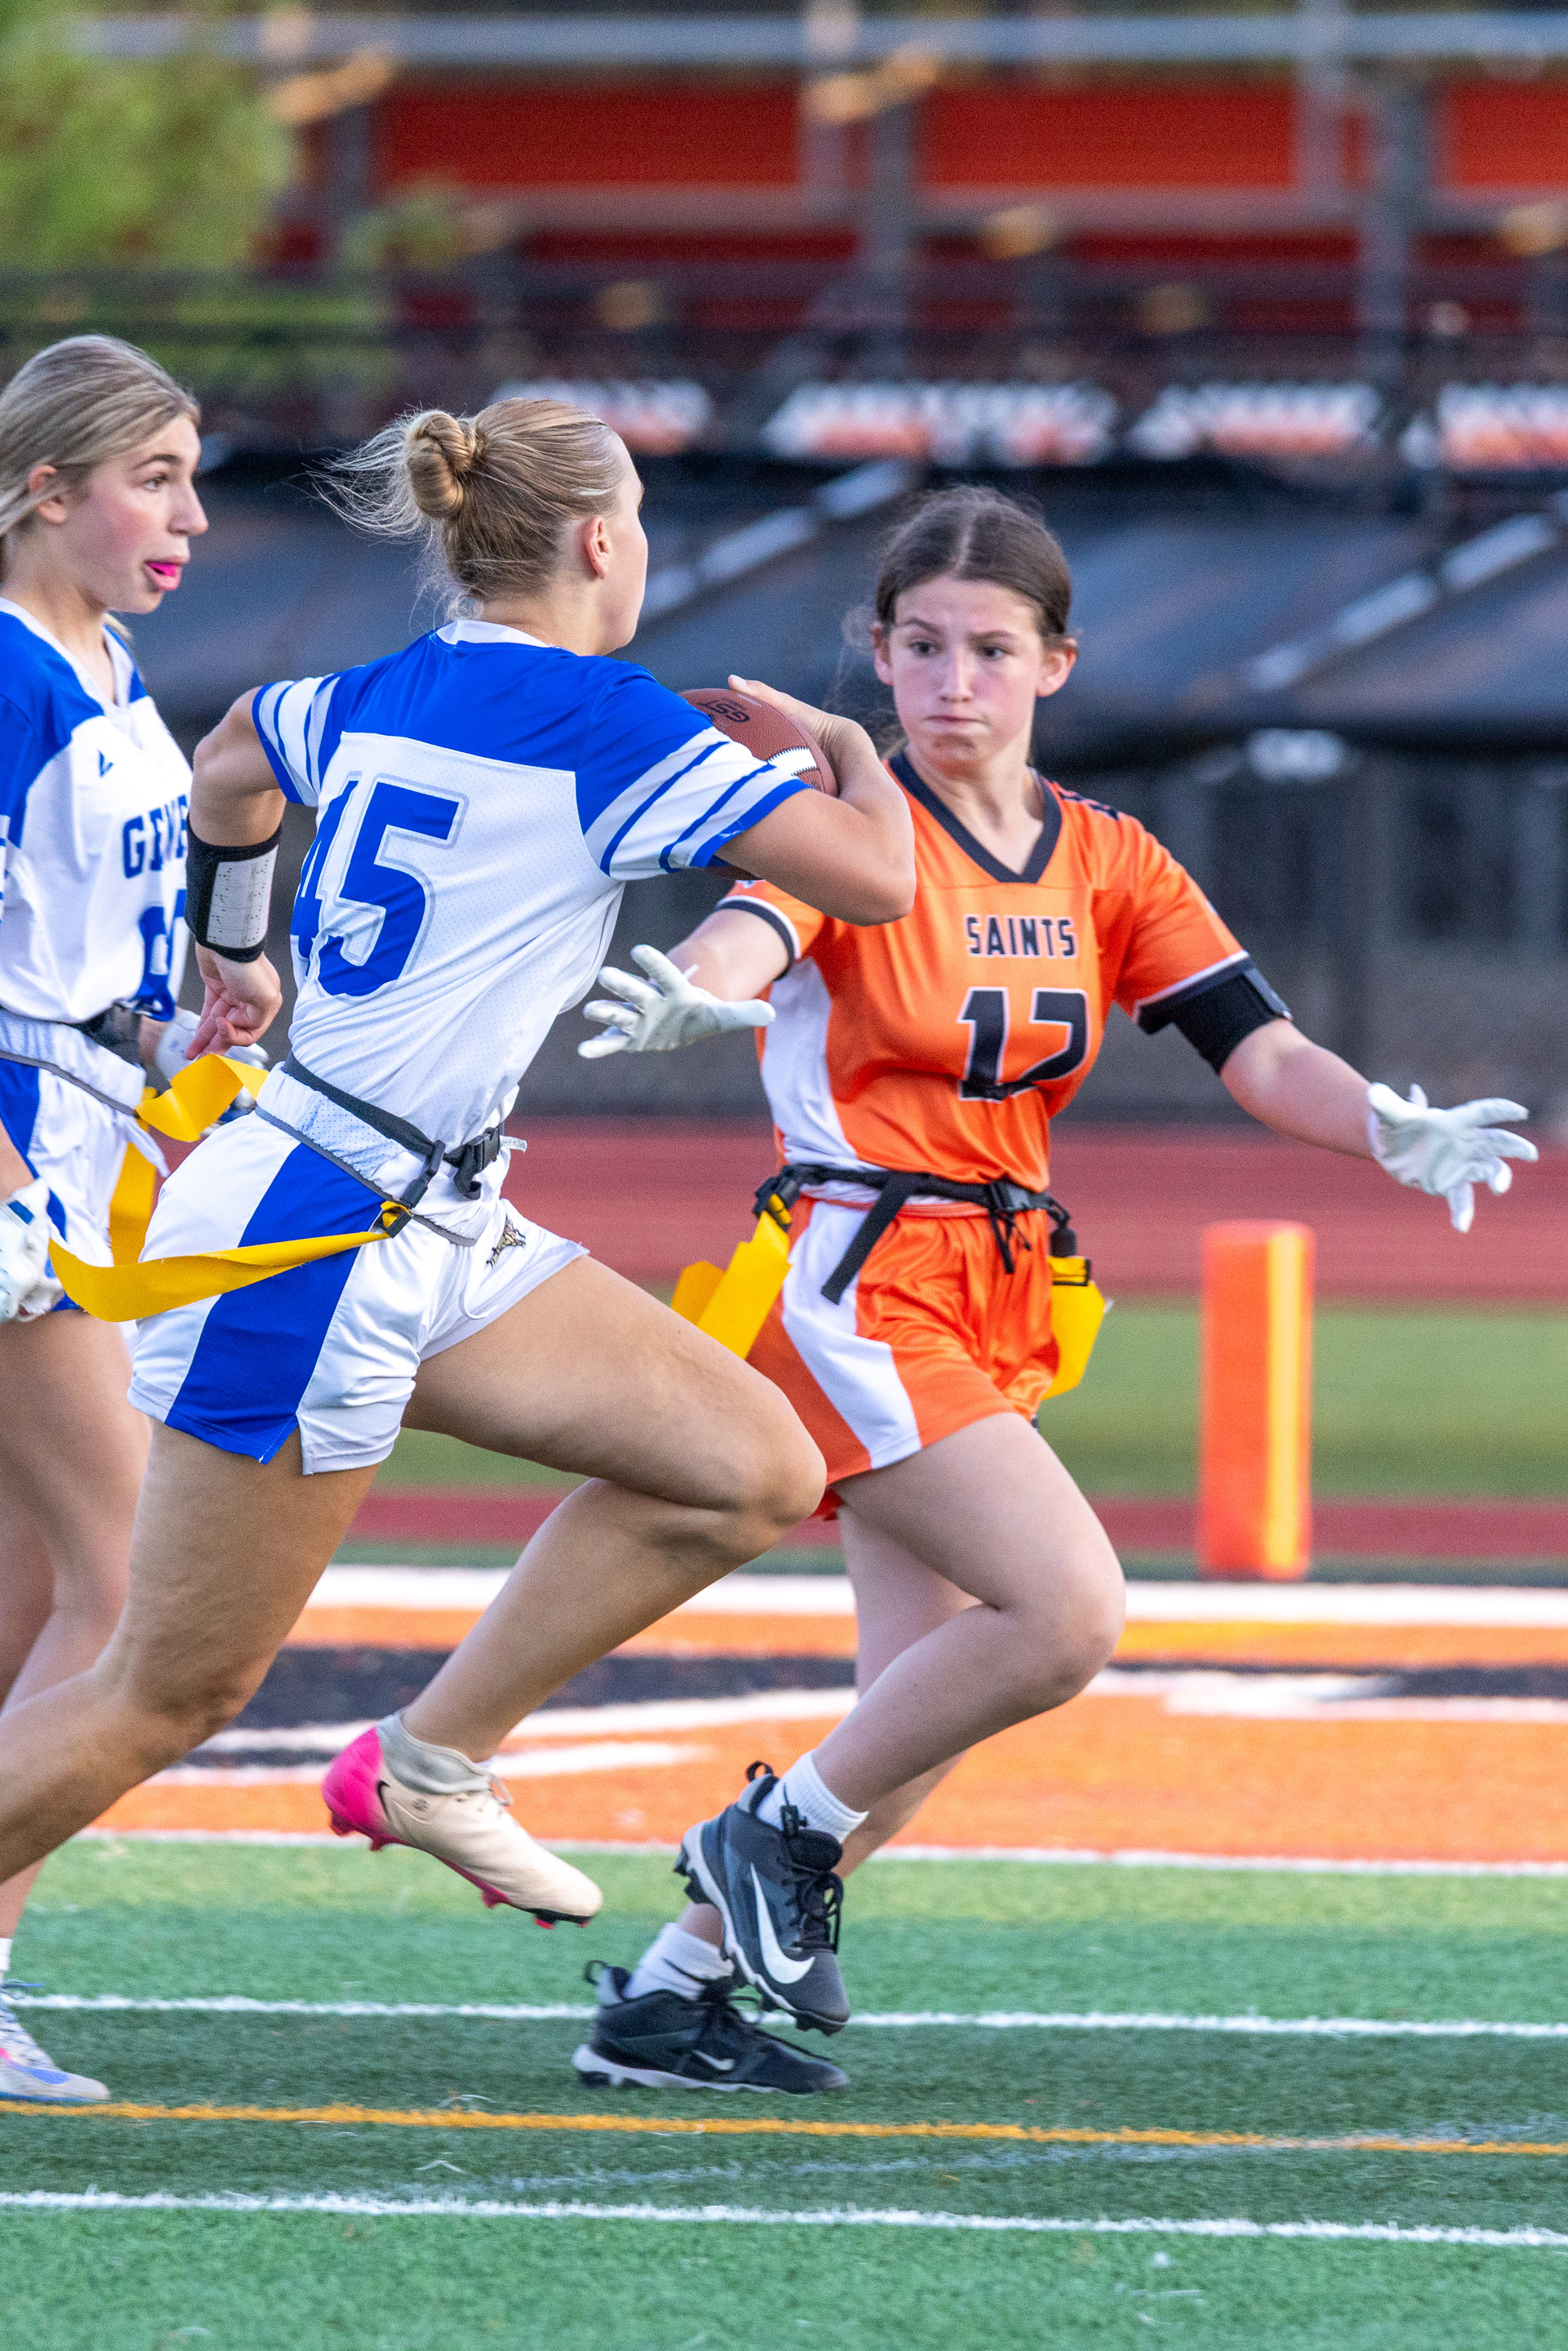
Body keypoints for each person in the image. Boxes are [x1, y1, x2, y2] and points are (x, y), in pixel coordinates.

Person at [568, 483, 1537, 2095]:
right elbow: (747, 933)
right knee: (1070, 1611)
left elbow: (1258, 1048)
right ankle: (770, 1835)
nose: (953, 681)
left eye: (992, 649)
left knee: (919, 1705)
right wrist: (702, 986)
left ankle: (671, 2001)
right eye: (921, 646)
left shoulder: (1106, 854)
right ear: (879, 652)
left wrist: (1383, 1122)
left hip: (1001, 1281)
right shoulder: (847, 825)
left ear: (1056, 664)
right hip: (862, 1274)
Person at [0, 395, 915, 2101]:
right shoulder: (607, 716)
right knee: (164, 1688)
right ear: (597, 541)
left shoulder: (380, 684)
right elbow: (870, 880)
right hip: (320, 1228)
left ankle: (431, 1760)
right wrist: (849, 757)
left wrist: (237, 942)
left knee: (746, 1467)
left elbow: (232, 761)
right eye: (638, 521)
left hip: (421, 1209)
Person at [0, 336, 226, 2104]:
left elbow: (79, 963)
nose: (191, 516)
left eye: (192, 478)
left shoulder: (106, 655)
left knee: (30, 1602)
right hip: (18, 1175)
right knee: (143, 1592)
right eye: (154, 478)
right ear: (44, 487)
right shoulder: (8, 674)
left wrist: (182, 1036)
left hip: (84, 1156)